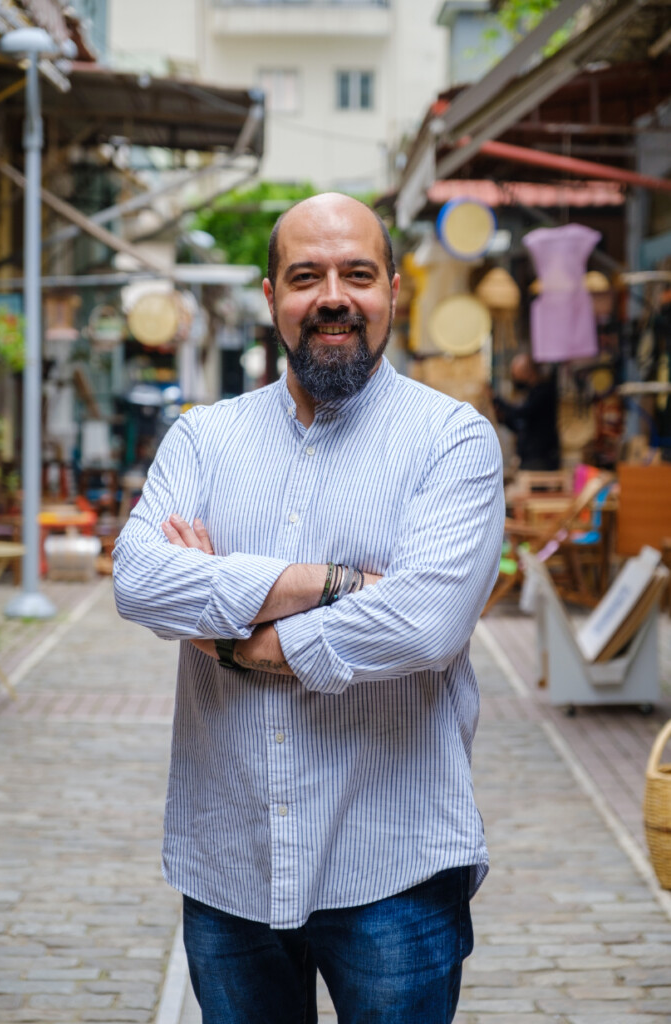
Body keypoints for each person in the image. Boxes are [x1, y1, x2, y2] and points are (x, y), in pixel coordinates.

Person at [113, 193, 505, 1024]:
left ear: (394, 291)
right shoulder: (203, 439)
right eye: (305, 276)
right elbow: (139, 582)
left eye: (356, 274)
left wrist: (233, 635)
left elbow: (423, 623)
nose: (332, 296)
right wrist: (331, 583)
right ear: (271, 298)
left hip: (392, 868)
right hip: (229, 866)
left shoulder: (451, 442)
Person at [492, 352, 561, 471]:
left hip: (541, 458)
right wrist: (503, 419)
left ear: (526, 372)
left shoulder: (543, 392)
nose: (515, 379)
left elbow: (522, 412)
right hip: (529, 457)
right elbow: (521, 426)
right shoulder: (531, 392)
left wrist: (497, 400)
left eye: (516, 375)